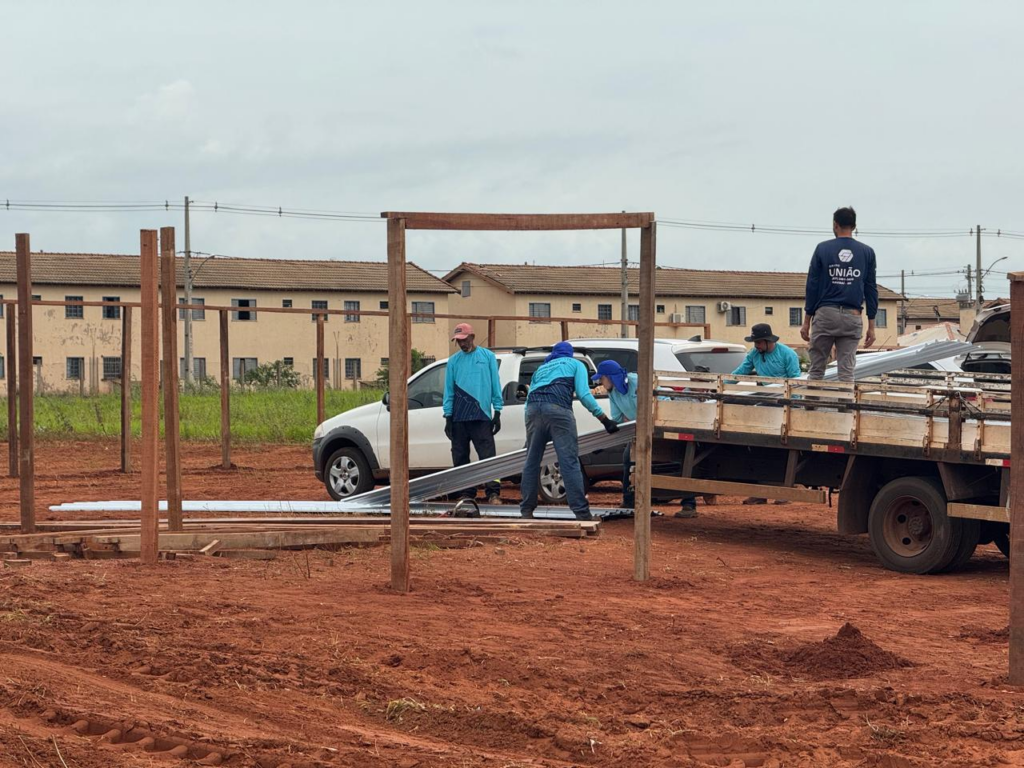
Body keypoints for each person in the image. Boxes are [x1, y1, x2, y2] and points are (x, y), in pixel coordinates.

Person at [520, 342, 619, 521]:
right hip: (558, 411)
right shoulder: (575, 365)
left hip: (533, 411)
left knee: (531, 461)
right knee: (569, 462)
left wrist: (531, 427)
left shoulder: (540, 369)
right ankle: (582, 513)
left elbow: (528, 402)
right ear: (569, 354)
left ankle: (526, 510)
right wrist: (604, 419)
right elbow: (583, 394)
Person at [591, 360, 697, 518]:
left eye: (602, 378)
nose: (600, 382)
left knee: (679, 459)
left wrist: (654, 422)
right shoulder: (613, 393)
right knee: (628, 458)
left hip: (660, 425)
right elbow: (619, 418)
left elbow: (661, 400)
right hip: (640, 430)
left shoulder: (638, 381)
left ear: (611, 377)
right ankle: (629, 500)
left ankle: (689, 504)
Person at [801, 206, 878, 382]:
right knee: (846, 373)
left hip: (826, 314)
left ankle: (811, 407)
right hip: (853, 316)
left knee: (816, 371)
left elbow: (812, 286)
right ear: (855, 226)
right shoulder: (867, 252)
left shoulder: (822, 249)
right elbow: (871, 289)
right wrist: (871, 326)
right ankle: (846, 409)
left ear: (835, 225)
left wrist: (806, 322)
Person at [442, 323, 503, 504]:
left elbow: (495, 384)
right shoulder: (453, 361)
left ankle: (493, 492)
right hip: (459, 417)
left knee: (488, 456)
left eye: (464, 340)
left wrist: (497, 411)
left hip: (481, 415)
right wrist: (448, 416)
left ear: (472, 337)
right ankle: (467, 493)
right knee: (460, 457)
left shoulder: (487, 357)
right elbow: (448, 390)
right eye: (458, 341)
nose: (461, 344)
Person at [732, 323, 801, 379]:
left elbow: (794, 379)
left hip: (783, 393)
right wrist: (723, 384)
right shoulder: (754, 353)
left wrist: (792, 396)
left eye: (758, 342)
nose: (756, 345)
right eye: (754, 342)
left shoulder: (788, 354)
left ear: (768, 340)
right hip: (764, 393)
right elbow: (741, 371)